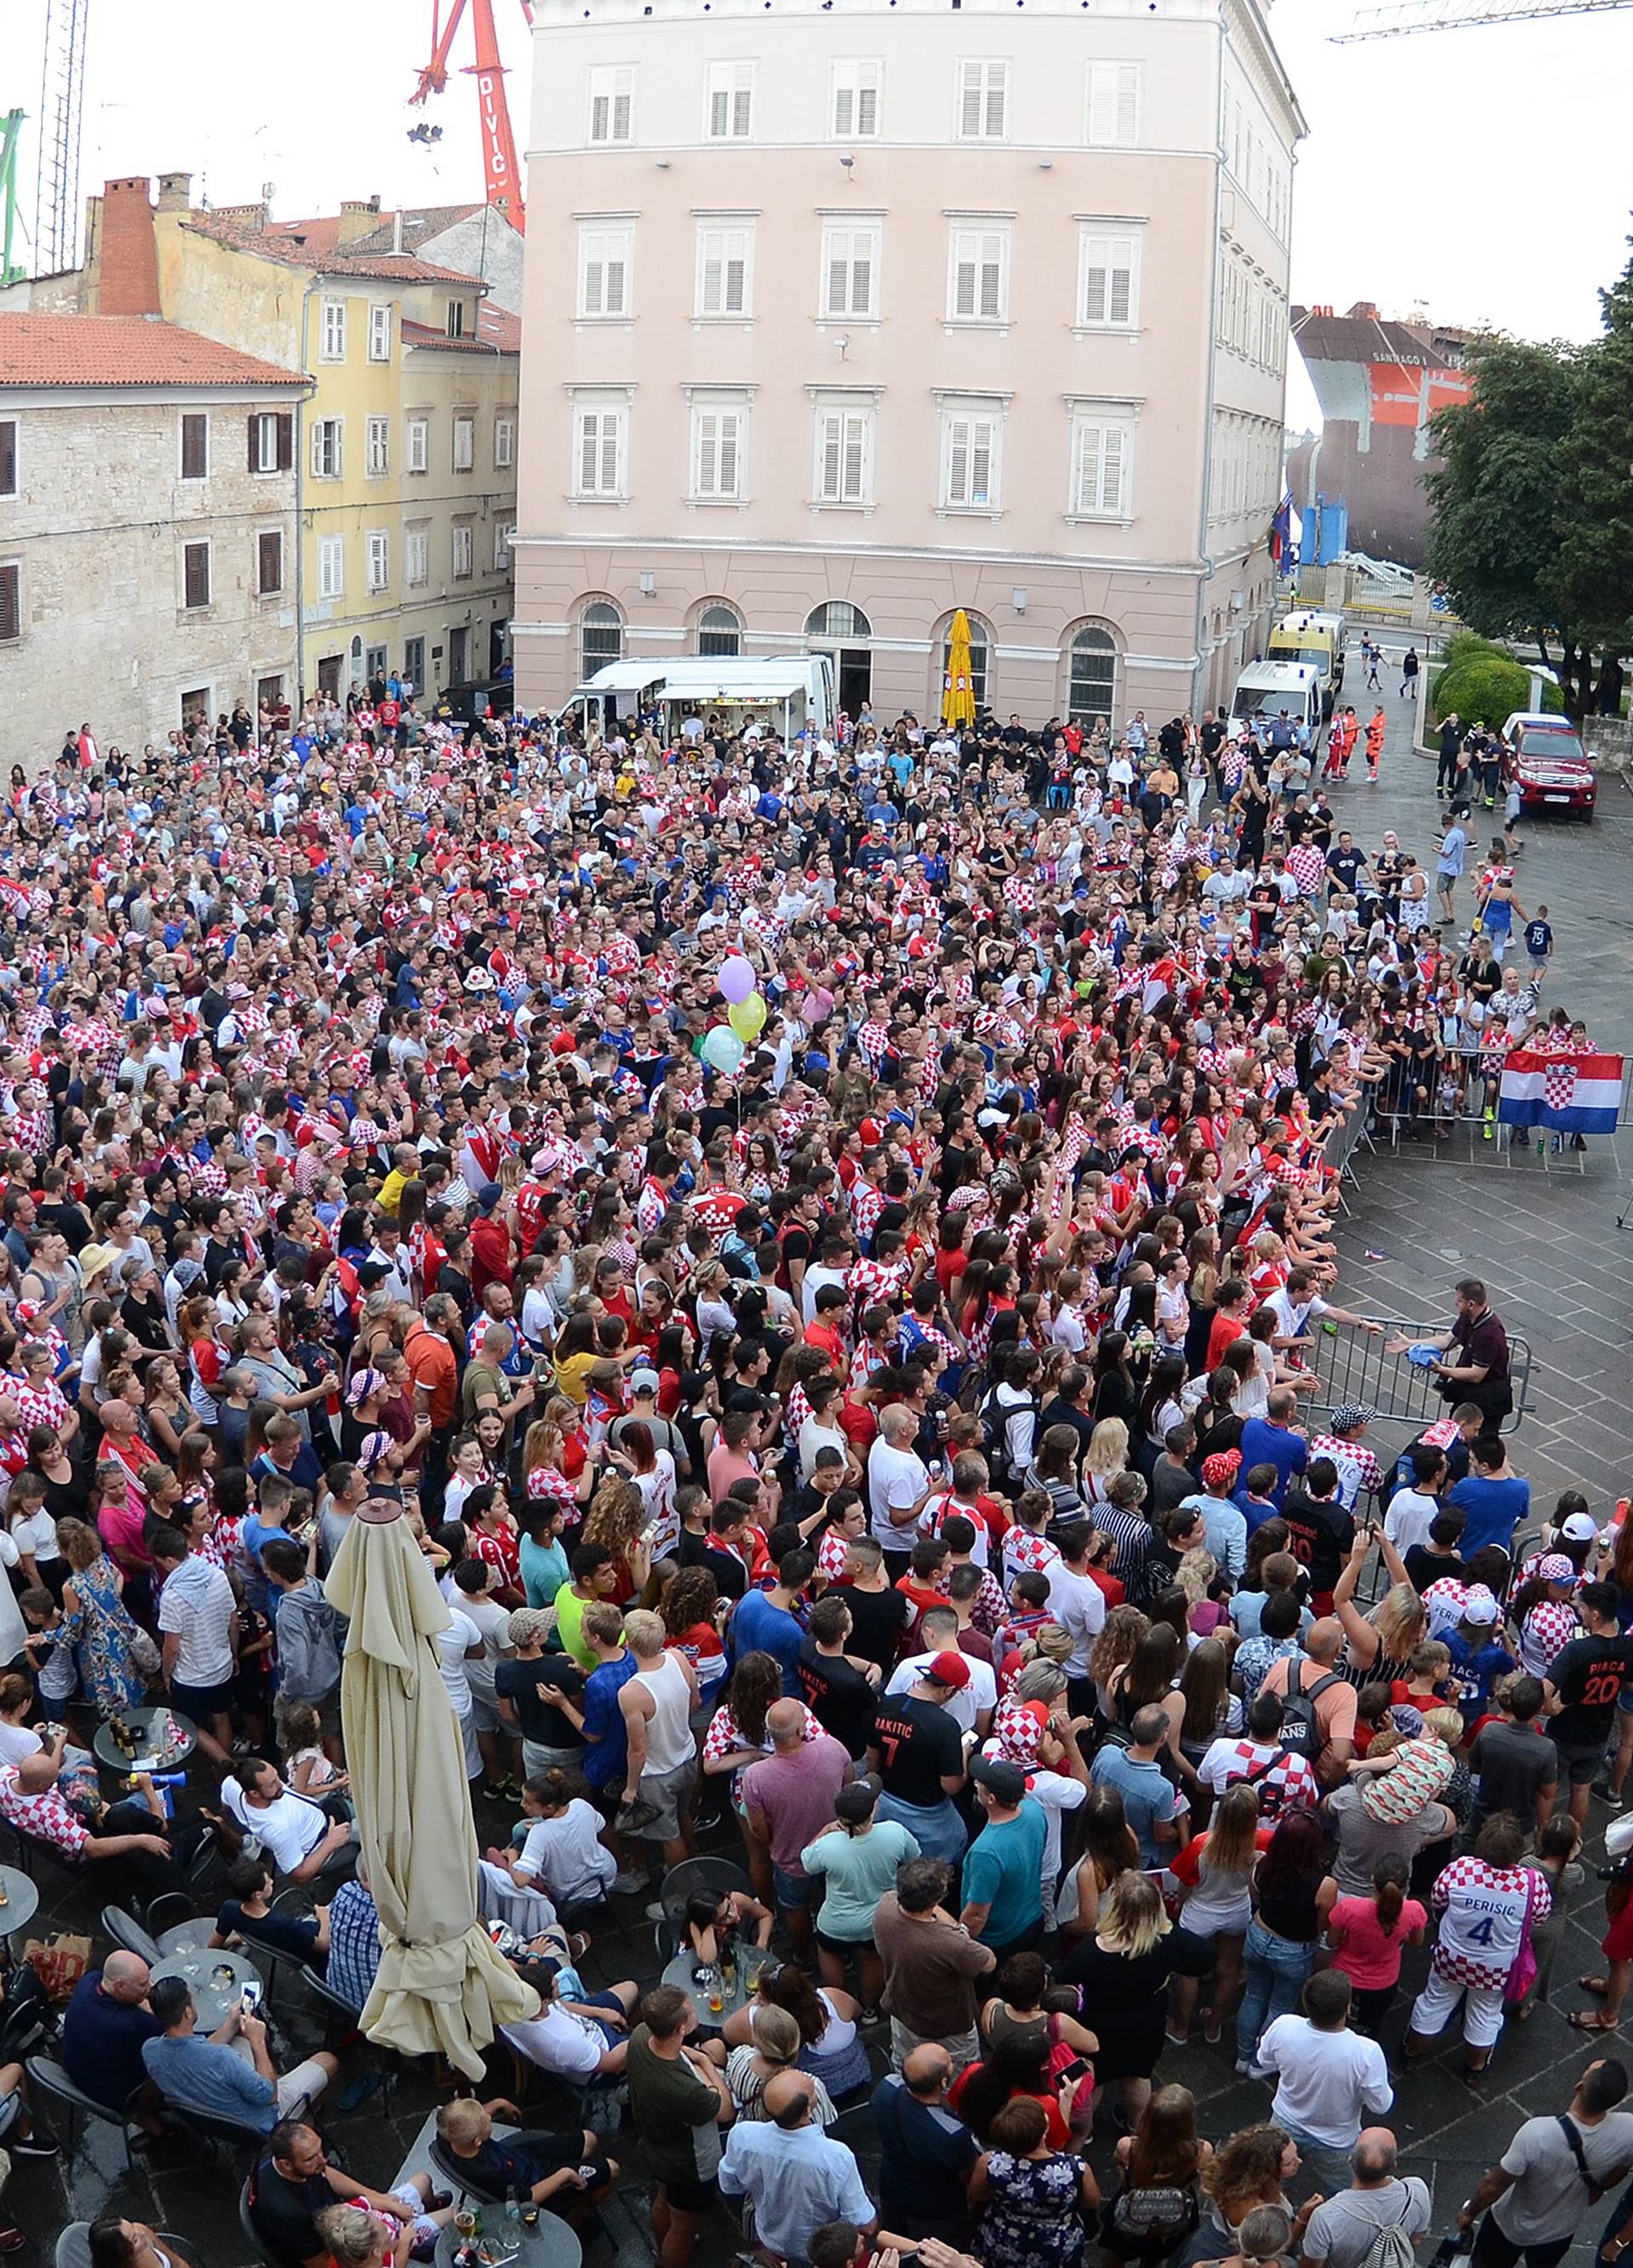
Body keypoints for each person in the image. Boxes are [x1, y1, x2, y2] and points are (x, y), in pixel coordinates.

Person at [1403, 1815, 1548, 2074]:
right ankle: (1476, 2065)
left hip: (1452, 1957)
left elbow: (1438, 1898)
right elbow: (1539, 1917)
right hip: (1496, 1967)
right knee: (1486, 2012)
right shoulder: (1532, 1883)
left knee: (1435, 2002)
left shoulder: (1462, 1869)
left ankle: (1411, 2051)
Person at [1460, 2058, 1633, 2268]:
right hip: (1560, 2232)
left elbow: (1492, 2186)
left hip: (1508, 2227)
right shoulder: (1628, 2131)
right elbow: (1620, 2170)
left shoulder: (1537, 2133)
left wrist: (1469, 2213)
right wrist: (1598, 2187)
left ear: (1579, 2087)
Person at [1253, 1970, 1391, 2195]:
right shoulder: (1366, 2052)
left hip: (1285, 2123)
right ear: (1348, 2008)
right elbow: (1381, 2105)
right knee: (1344, 2193)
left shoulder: (1283, 2027)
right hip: (1336, 2140)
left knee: (1274, 2183)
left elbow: (1263, 2060)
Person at [718, 2069, 874, 2267]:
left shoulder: (742, 2135)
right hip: (824, 2256)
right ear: (808, 2110)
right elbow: (863, 2223)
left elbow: (729, 2186)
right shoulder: (835, 2156)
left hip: (771, 2244)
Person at [626, 1984, 735, 2268]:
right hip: (689, 2164)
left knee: (664, 2198)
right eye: (690, 2011)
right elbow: (725, 2111)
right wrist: (707, 2064)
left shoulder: (640, 2037)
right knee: (684, 2227)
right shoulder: (687, 2091)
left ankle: (664, 2245)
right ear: (680, 2029)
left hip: (657, 2144)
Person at [142, 1975, 338, 2133]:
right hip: (261, 2121)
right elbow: (269, 2096)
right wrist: (258, 2041)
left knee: (240, 2032)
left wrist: (231, 2022)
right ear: (187, 2012)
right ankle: (304, 2121)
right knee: (328, 2061)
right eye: (192, 2000)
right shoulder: (223, 2058)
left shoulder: (150, 2049)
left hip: (211, 2114)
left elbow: (198, 2050)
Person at [248, 2118, 453, 2268]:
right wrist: (395, 2246)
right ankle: (424, 2245)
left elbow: (325, 2173)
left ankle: (428, 2208)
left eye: (320, 2150)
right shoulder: (287, 2213)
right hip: (359, 2244)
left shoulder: (281, 2152)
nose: (324, 2160)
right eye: (312, 2158)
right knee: (453, 2214)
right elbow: (320, 2263)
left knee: (423, 2181)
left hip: (361, 2225)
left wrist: (381, 2199)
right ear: (286, 2165)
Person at [743, 1697, 851, 1957]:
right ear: (801, 1730)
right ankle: (840, 1955)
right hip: (834, 1849)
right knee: (835, 1901)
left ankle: (802, 1958)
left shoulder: (756, 1776)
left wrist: (777, 1842)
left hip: (790, 1857)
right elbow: (849, 1789)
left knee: (795, 1908)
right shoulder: (832, 1748)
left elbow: (758, 1828)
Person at [803, 1779, 920, 2014]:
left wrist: (825, 1830)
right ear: (874, 1808)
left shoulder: (828, 1845)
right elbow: (914, 1859)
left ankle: (838, 2008)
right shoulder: (895, 1832)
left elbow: (807, 1862)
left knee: (830, 1953)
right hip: (878, 1920)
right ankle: (869, 2009)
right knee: (872, 1960)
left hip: (836, 1922)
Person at [873, 1856, 996, 2072]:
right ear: (936, 1900)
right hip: (946, 2029)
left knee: (906, 2068)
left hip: (902, 2013)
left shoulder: (886, 1906)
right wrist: (960, 1930)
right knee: (958, 2078)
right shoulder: (954, 1944)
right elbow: (989, 1963)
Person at [971, 2094, 1099, 2268]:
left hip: (1003, 2241)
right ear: (1043, 2131)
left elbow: (977, 2197)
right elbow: (1091, 2202)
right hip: (1055, 2247)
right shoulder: (1075, 2168)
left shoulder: (990, 2163)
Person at [870, 2043, 982, 2243]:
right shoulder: (951, 2132)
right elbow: (966, 2173)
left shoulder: (886, 2088)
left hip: (891, 2184)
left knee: (894, 2242)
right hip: (933, 2207)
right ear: (943, 2082)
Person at [1300, 2128, 1431, 2268]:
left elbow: (1310, 2266)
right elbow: (1415, 2240)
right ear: (1394, 2165)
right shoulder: (1416, 2191)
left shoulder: (1325, 2217)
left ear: (1350, 2160)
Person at [959, 1756, 1047, 1961]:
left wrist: (962, 1947)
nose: (975, 1783)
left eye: (980, 1783)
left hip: (998, 1940)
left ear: (991, 1798)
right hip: (1033, 1920)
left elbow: (976, 1916)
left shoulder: (986, 1852)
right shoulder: (1035, 1812)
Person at [61, 1952, 162, 2120]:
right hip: (112, 2095)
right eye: (143, 1984)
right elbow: (169, 2026)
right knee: (166, 2061)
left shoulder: (88, 1982)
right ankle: (142, 2114)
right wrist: (147, 2006)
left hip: (77, 2069)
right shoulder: (132, 2023)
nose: (150, 1987)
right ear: (120, 1986)